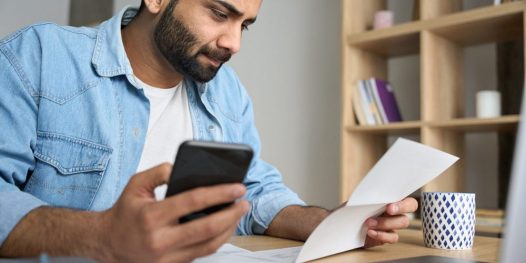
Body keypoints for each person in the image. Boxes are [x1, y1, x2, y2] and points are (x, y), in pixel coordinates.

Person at [0, 0, 417, 262]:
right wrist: (104, 237)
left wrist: (329, 223)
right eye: (220, 13)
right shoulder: (39, 56)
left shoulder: (226, 91)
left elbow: (252, 191)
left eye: (245, 25)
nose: (233, 43)